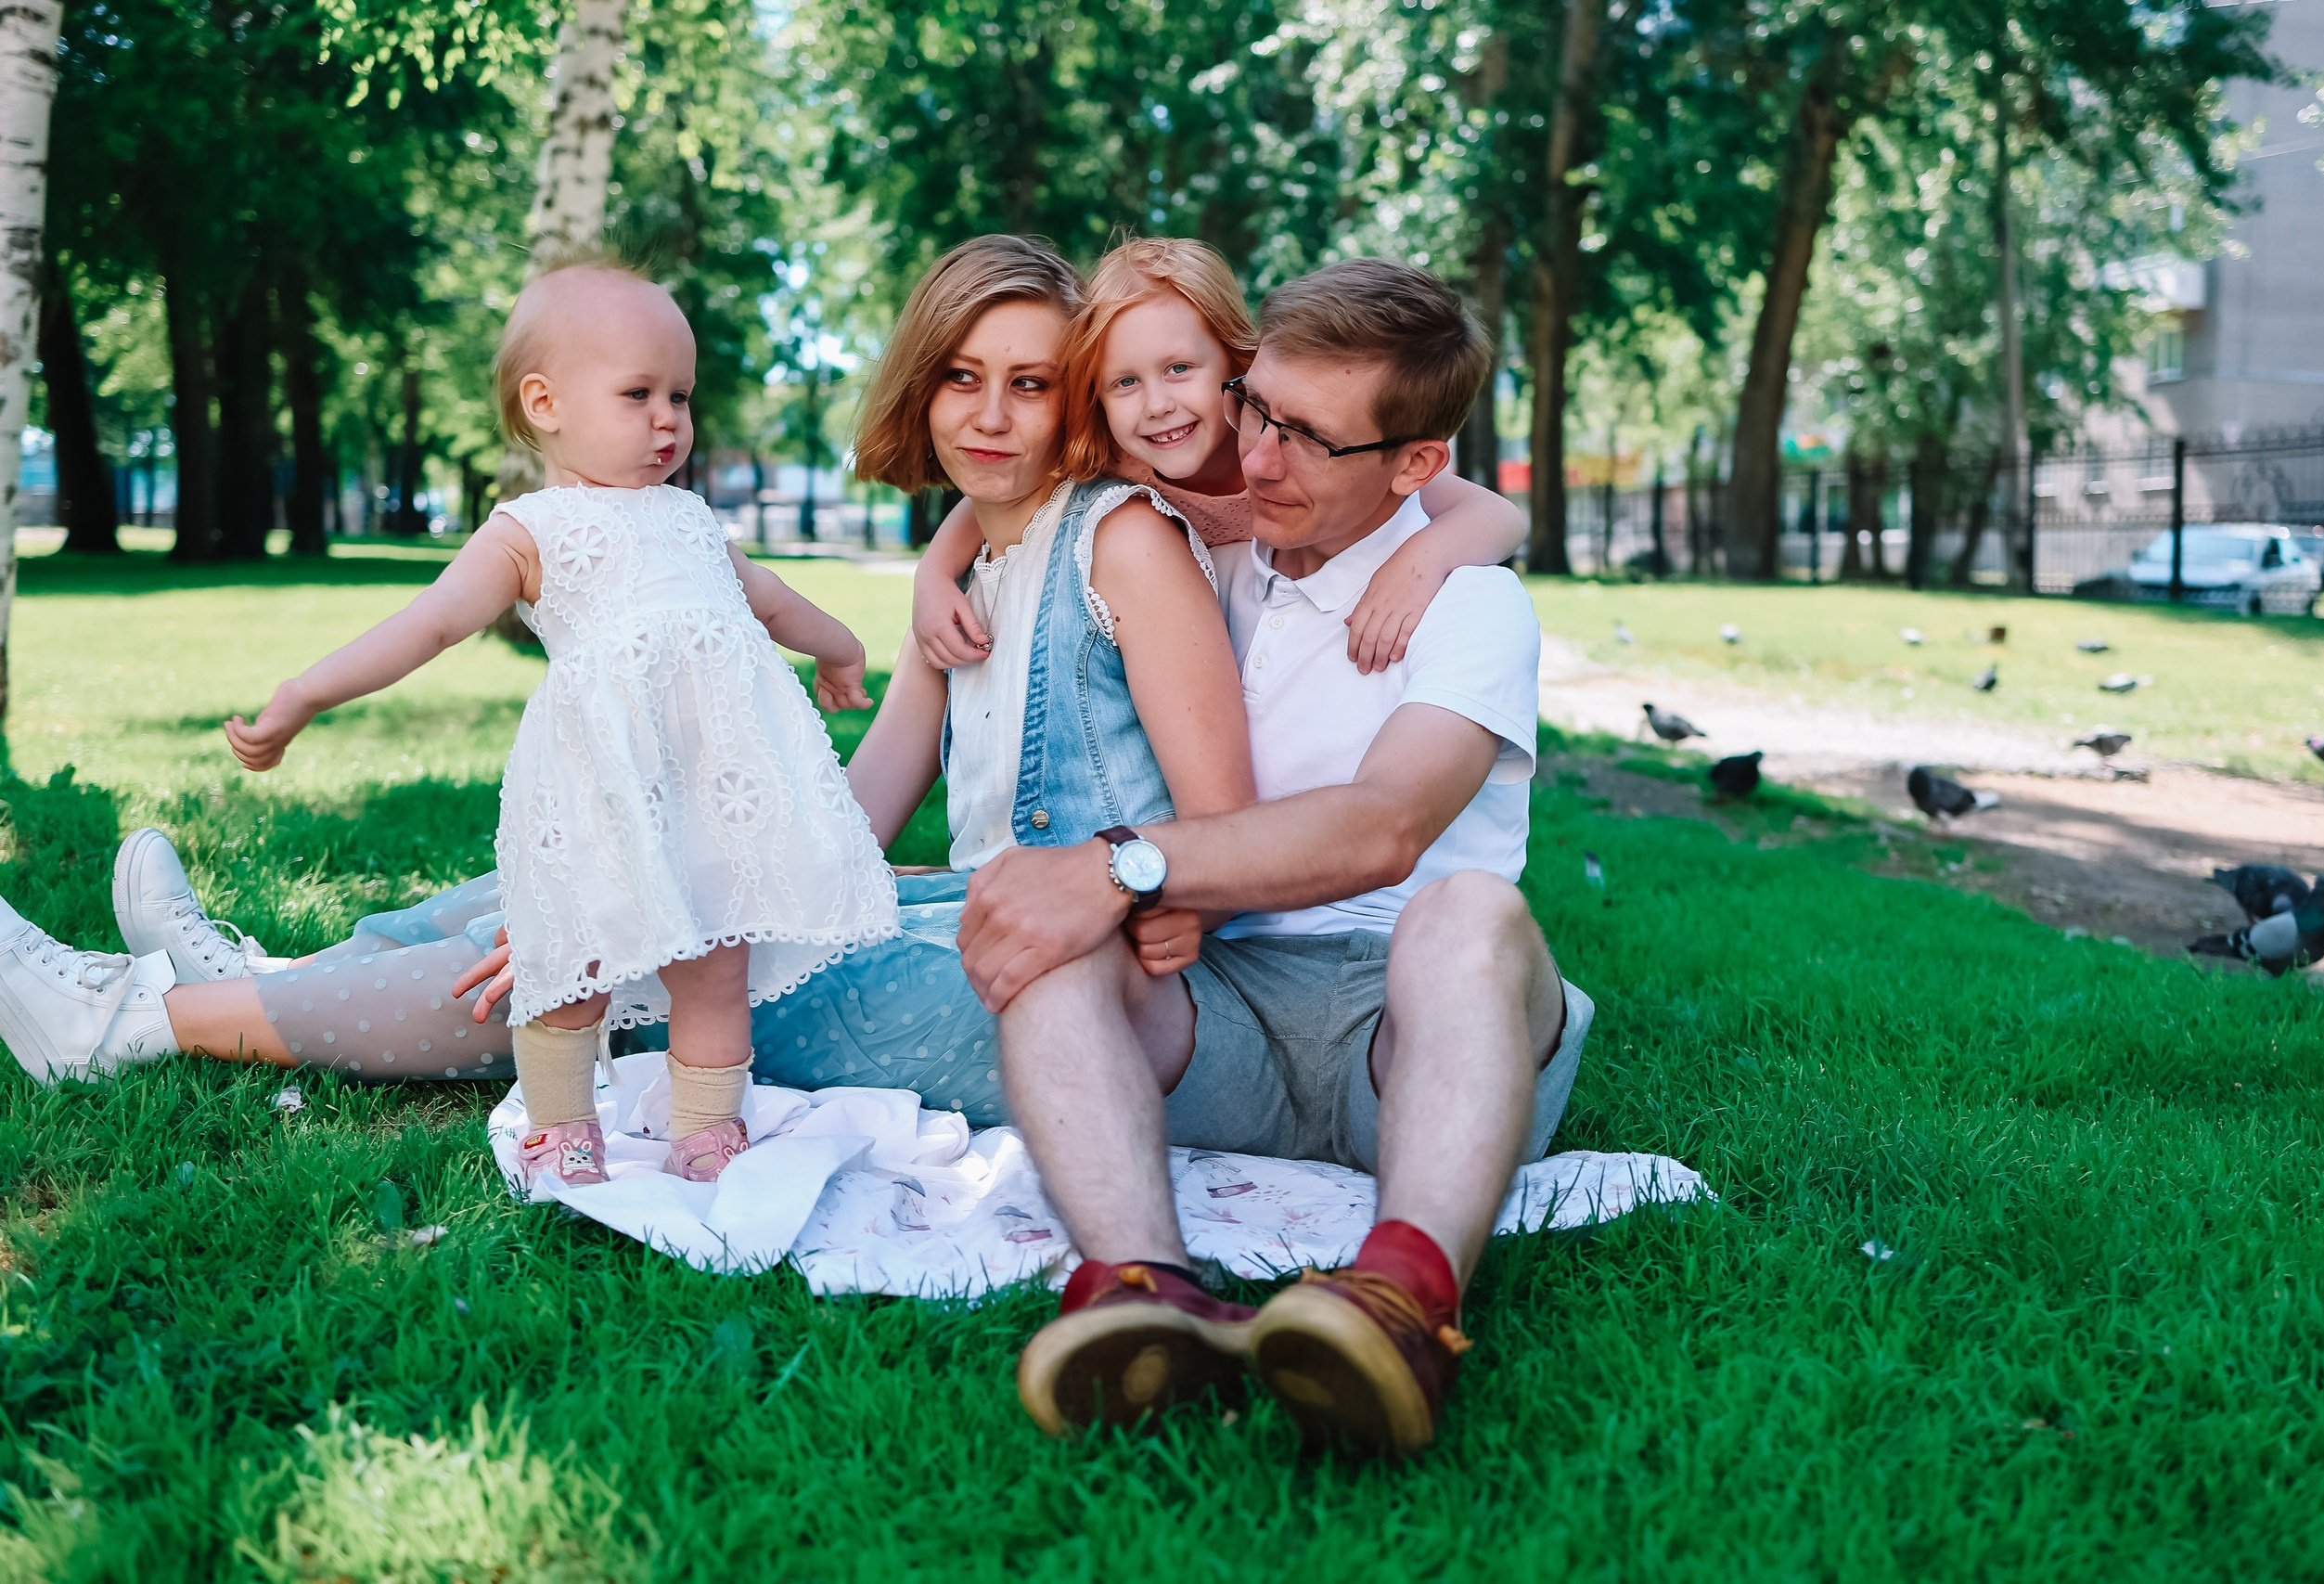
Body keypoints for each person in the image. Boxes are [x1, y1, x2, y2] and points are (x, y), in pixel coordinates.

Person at [0, 236, 1246, 1144]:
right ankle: (251, 971)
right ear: (920, 384)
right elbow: (848, 819)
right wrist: (670, 854)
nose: (990, 413)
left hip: (1069, 968)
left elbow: (1223, 836)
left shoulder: (1114, 543)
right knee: (568, 880)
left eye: (1030, 382)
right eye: (962, 376)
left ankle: (139, 1021)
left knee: (599, 944)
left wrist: (646, 893)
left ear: (1075, 396)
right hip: (975, 912)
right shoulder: (978, 556)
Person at [957, 256, 1590, 1460]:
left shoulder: (1471, 607)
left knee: (1466, 910)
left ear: (1415, 466)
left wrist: (1124, 861)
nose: (1256, 457)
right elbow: (1028, 468)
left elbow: (1382, 825)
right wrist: (944, 566)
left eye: (1308, 436)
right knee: (1054, 934)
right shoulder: (1217, 552)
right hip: (1233, 1009)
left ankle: (1400, 1304)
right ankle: (1147, 1295)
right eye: (1258, 407)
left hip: (1415, 1030)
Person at [220, 256, 899, 1185]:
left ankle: (706, 1129)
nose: (668, 419)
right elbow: (429, 625)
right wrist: (303, 694)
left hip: (714, 788)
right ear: (545, 404)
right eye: (638, 394)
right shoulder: (529, 530)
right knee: (574, 958)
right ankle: (564, 1125)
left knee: (718, 961)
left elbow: (769, 601)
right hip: (598, 785)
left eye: (681, 396)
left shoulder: (692, 519)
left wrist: (838, 647)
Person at [909, 238, 1525, 677]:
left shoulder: (1277, 444)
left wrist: (1422, 560)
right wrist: (934, 575)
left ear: (1235, 363)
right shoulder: (1125, 465)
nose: (1156, 405)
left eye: (1179, 369)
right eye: (1124, 382)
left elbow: (1499, 515)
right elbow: (995, 497)